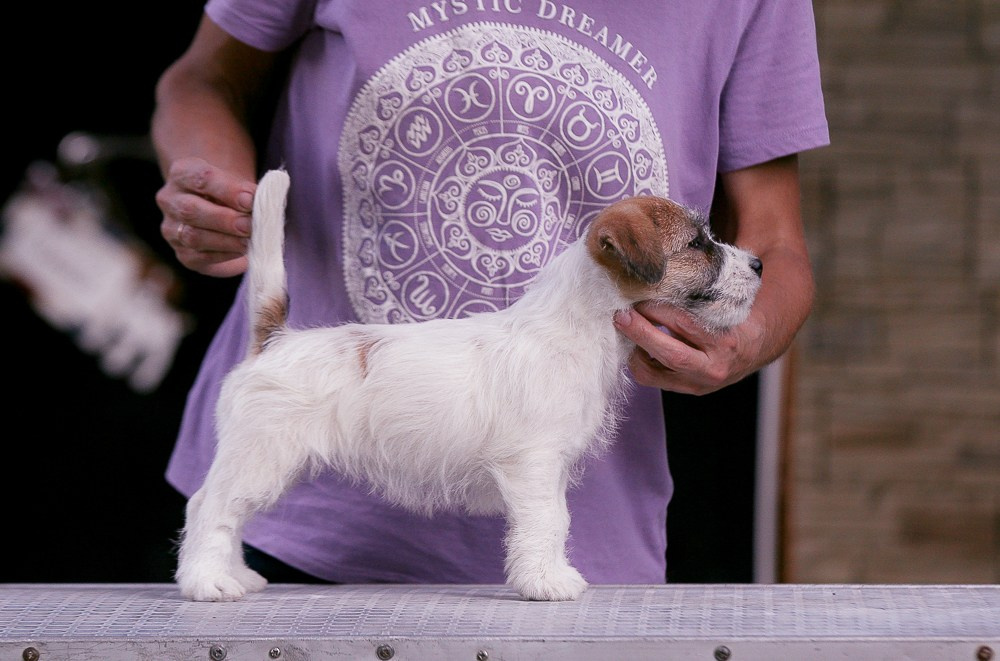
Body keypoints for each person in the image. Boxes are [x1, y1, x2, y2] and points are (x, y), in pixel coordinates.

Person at [152, 0, 829, 586]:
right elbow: (203, 76)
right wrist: (212, 184)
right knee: (250, 482)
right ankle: (211, 544)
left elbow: (779, 242)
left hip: (604, 547)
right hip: (302, 537)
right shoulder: (617, 256)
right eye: (695, 251)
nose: (717, 262)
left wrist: (747, 337)